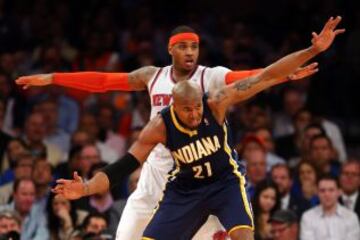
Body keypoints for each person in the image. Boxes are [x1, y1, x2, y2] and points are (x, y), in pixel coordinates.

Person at [15, 23, 321, 240]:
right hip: (158, 174)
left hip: (205, 177)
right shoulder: (152, 79)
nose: (190, 52)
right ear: (170, 49)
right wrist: (54, 78)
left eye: (195, 46)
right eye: (184, 46)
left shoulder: (213, 80)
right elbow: (104, 81)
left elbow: (254, 78)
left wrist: (285, 75)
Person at [300, 175, 360, 240]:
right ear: (317, 192)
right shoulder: (308, 217)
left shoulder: (351, 217)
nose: (327, 194)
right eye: (322, 191)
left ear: (339, 192)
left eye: (331, 190)